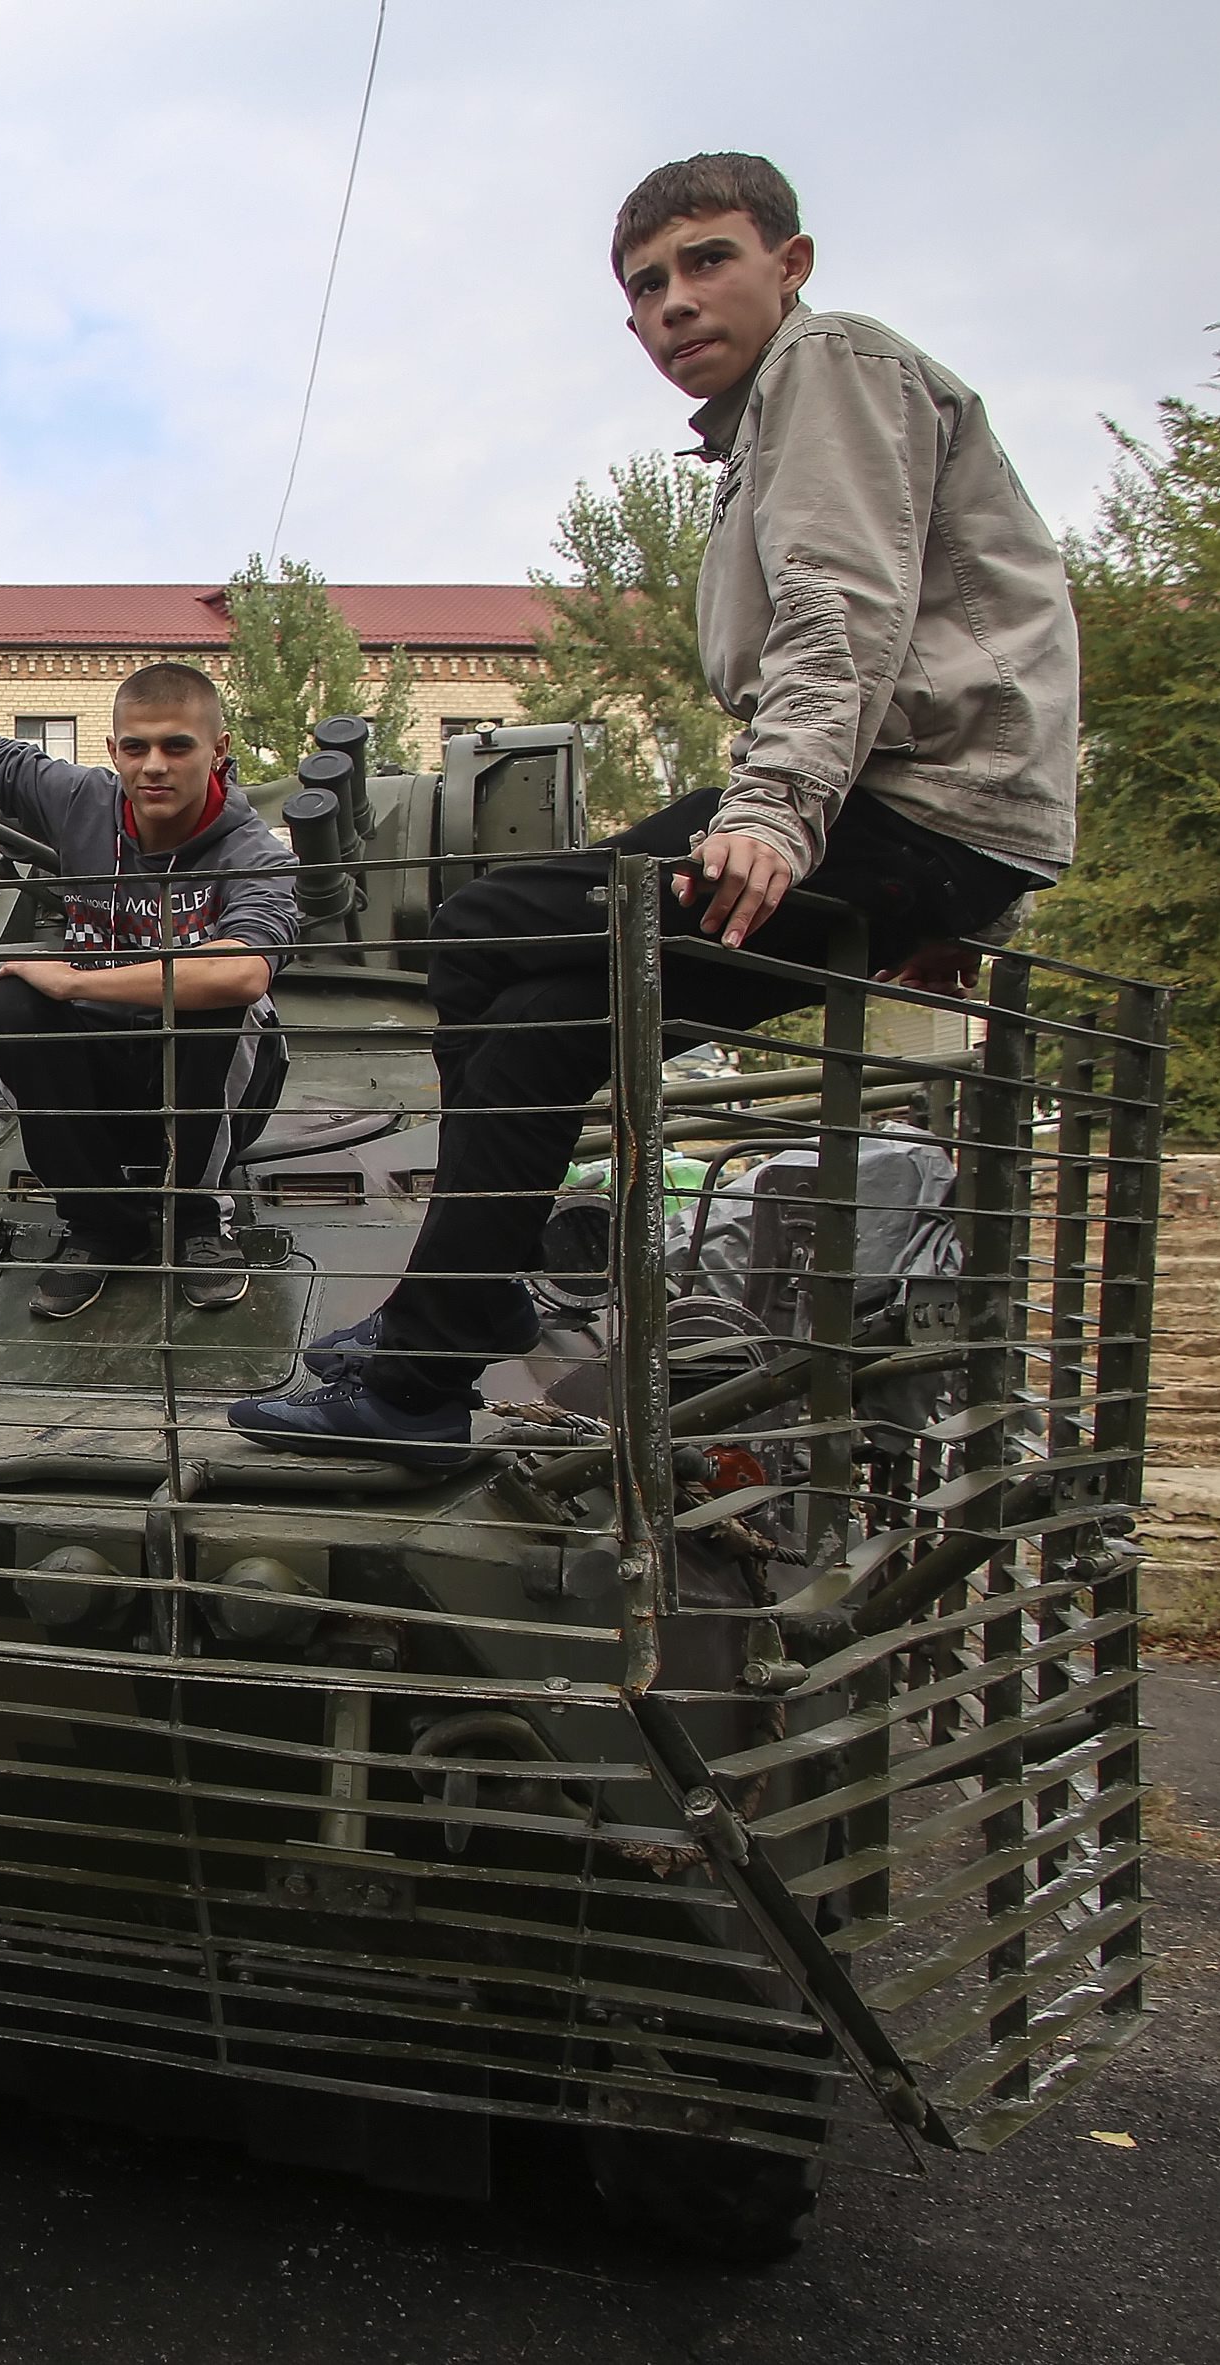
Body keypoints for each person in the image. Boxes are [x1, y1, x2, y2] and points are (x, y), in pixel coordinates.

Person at [233, 151, 1077, 1469]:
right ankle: (446, 1329)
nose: (673, 303)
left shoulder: (827, 367)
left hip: (882, 802)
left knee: (485, 927)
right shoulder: (764, 423)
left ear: (785, 267)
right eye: (644, 285)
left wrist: (777, 814)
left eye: (705, 262)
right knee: (533, 1020)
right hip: (918, 818)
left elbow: (839, 613)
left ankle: (439, 1335)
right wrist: (972, 883)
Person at [0, 664, 295, 1320]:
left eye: (177, 745)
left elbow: (243, 972)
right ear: (112, 752)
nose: (154, 766)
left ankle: (197, 1219)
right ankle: (98, 1223)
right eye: (135, 747)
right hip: (103, 1072)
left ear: (218, 750)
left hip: (207, 1080)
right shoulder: (79, 799)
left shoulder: (253, 854)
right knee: (10, 1003)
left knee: (217, 1001)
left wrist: (80, 978)